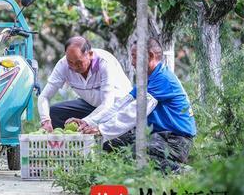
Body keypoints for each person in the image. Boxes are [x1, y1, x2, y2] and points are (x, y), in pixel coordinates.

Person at [74, 38, 196, 172]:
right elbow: (121, 105)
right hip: (156, 135)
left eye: (135, 57)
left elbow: (135, 111)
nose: (132, 62)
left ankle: (182, 172)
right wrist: (91, 123)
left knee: (137, 153)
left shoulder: (163, 79)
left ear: (150, 56)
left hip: (175, 140)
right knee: (108, 142)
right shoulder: (148, 79)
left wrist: (102, 129)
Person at [38, 36, 132, 132]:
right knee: (54, 113)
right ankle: (67, 144)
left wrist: (86, 121)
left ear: (90, 54)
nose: (74, 67)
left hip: (117, 107)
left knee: (107, 139)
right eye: (70, 62)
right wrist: (45, 120)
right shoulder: (63, 64)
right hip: (90, 105)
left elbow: (107, 105)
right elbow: (44, 96)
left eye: (78, 63)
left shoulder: (104, 63)